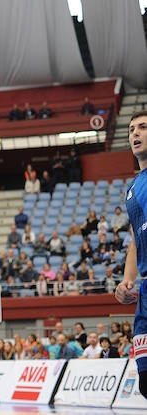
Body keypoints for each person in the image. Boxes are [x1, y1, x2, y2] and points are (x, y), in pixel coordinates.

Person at [114, 109, 147, 399]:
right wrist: (127, 281)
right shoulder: (133, 188)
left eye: (143, 127)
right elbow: (136, 241)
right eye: (131, 129)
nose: (135, 133)